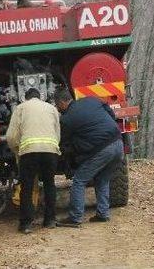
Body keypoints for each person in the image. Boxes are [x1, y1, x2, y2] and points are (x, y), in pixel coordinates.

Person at [53, 88, 124, 227]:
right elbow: (110, 113)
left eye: (57, 105)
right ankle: (103, 214)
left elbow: (64, 142)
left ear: (61, 102)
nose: (57, 108)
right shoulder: (91, 100)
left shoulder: (67, 119)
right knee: (102, 178)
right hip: (118, 143)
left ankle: (75, 217)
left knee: (79, 180)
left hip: (102, 150)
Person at [6, 88, 61, 234]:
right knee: (50, 184)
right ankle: (50, 220)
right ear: (40, 97)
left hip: (29, 152)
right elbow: (57, 133)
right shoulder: (52, 108)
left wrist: (17, 150)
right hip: (50, 151)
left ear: (26, 98)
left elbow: (11, 136)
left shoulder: (20, 108)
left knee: (28, 187)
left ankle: (26, 224)